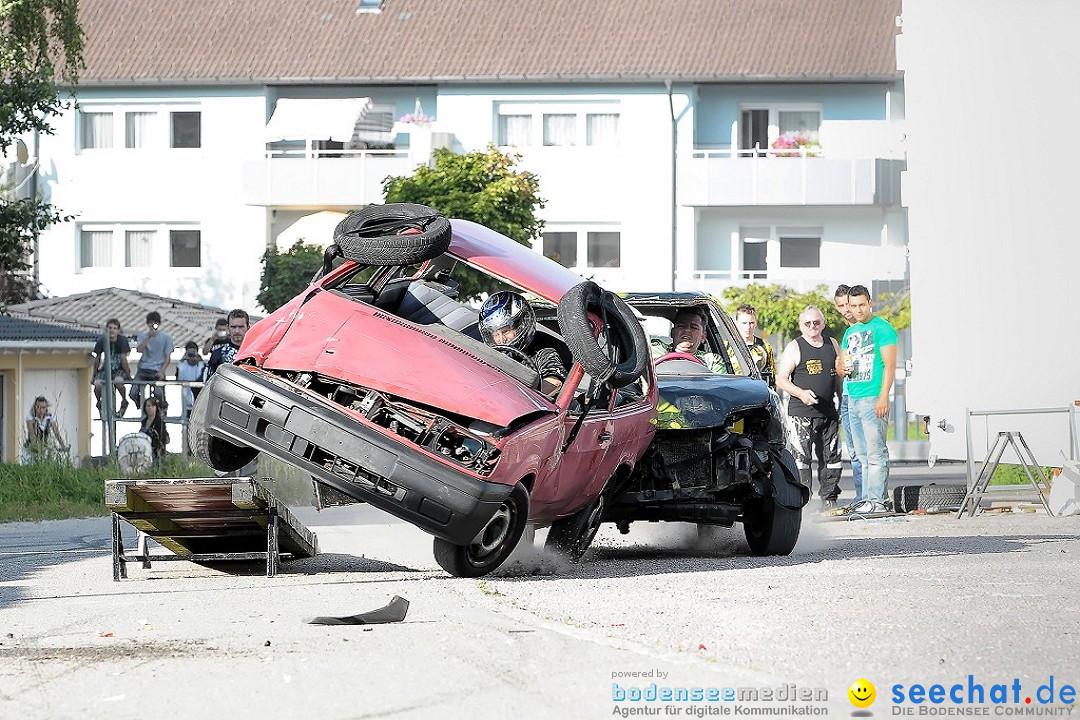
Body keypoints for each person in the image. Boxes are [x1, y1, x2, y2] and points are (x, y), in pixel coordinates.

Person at [775, 306, 843, 511]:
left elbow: (838, 377)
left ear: (823, 323)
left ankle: (829, 499)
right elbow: (781, 379)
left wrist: (841, 401)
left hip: (828, 412)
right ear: (801, 325)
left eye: (817, 322)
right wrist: (801, 393)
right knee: (801, 460)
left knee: (832, 458)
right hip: (801, 414)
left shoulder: (832, 344)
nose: (813, 327)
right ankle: (803, 503)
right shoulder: (795, 346)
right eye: (807, 323)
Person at [838, 285, 898, 513]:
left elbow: (890, 366)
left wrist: (884, 396)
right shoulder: (850, 332)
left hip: (873, 397)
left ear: (870, 303)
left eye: (862, 304)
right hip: (852, 397)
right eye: (853, 306)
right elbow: (842, 365)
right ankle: (866, 499)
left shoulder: (883, 328)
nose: (858, 309)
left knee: (876, 453)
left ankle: (878, 501)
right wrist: (841, 367)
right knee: (861, 454)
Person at [478, 291, 567, 394]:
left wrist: (517, 399)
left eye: (506, 331)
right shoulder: (489, 354)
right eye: (496, 334)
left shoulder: (543, 353)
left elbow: (554, 383)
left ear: (521, 325)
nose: (501, 339)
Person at [833, 284, 863, 507]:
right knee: (853, 450)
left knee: (867, 450)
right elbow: (841, 364)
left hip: (864, 395)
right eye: (841, 306)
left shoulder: (867, 329)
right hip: (847, 393)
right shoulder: (847, 333)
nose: (845, 310)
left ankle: (871, 497)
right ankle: (862, 495)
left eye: (848, 305)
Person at [650, 306, 726, 373]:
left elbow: (720, 386)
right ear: (672, 332)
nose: (687, 330)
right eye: (681, 326)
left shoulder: (712, 361)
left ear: (703, 336)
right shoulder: (656, 349)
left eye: (694, 327)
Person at [130, 311, 174, 411]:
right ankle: (143, 407)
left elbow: (167, 357)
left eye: (155, 323)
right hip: (143, 370)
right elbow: (139, 350)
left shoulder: (166, 338)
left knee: (158, 393)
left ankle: (161, 409)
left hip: (157, 370)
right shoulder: (142, 336)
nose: (153, 325)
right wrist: (148, 337)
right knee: (133, 393)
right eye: (151, 323)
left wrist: (162, 371)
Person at [92, 318, 132, 417]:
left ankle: (124, 400)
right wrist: (94, 374)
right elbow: (97, 358)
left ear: (118, 330)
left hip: (119, 368)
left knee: (118, 381)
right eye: (110, 328)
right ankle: (99, 402)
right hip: (106, 368)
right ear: (106, 329)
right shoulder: (102, 340)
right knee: (97, 384)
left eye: (115, 328)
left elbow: (123, 359)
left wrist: (128, 374)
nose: (112, 330)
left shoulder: (122, 340)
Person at [730, 304, 776, 388]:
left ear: (756, 324)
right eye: (744, 323)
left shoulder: (765, 346)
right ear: (736, 323)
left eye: (751, 323)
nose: (748, 327)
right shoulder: (728, 346)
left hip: (757, 393)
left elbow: (772, 378)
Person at [206, 309, 250, 381]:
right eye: (233, 327)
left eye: (241, 327)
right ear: (228, 328)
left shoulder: (256, 354)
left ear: (248, 328)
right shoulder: (218, 354)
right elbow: (208, 382)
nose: (237, 331)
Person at [23, 396, 68, 463]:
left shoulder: (49, 417)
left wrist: (63, 446)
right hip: (31, 449)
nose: (40, 410)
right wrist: (37, 449)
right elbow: (32, 434)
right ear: (35, 407)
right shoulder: (31, 417)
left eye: (43, 407)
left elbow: (56, 433)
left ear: (46, 408)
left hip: (44, 449)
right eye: (38, 407)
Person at [175, 341, 206, 421]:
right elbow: (179, 379)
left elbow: (203, 378)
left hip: (199, 400)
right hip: (187, 400)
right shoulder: (183, 365)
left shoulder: (201, 365)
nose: (191, 356)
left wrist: (199, 361)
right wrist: (182, 361)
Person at [139, 396, 169, 461]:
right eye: (148, 406)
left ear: (156, 408)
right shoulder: (144, 421)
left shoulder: (159, 422)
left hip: (155, 452)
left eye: (152, 406)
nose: (150, 408)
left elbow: (162, 438)